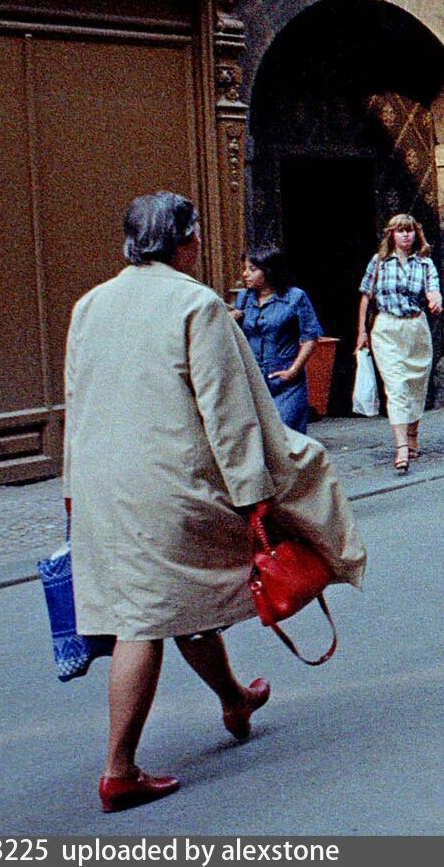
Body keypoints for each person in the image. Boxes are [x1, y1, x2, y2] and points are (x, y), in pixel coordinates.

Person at [65, 192, 366, 813]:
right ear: (183, 241)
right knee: (144, 621)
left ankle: (233, 697)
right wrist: (254, 494)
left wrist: (72, 490)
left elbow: (79, 403)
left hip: (102, 484)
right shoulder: (196, 305)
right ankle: (119, 770)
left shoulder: (89, 305)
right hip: (170, 484)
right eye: (196, 234)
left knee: (172, 596)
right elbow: (228, 413)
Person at [355, 213, 442, 474]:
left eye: (410, 231)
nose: (405, 235)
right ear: (391, 235)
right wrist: (362, 332)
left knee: (416, 384)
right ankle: (401, 446)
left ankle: (413, 433)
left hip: (415, 328)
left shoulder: (424, 263)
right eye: (400, 231)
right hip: (387, 328)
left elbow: (433, 288)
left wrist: (434, 298)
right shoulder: (379, 262)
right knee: (396, 385)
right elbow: (365, 297)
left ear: (417, 234)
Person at [231, 247, 325, 434]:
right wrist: (230, 319)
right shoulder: (243, 298)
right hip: (254, 379)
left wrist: (293, 370)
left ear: (268, 270)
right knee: (257, 439)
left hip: (285, 381)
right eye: (245, 268)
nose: (245, 274)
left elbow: (310, 337)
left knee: (286, 436)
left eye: (252, 269)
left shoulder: (295, 297)